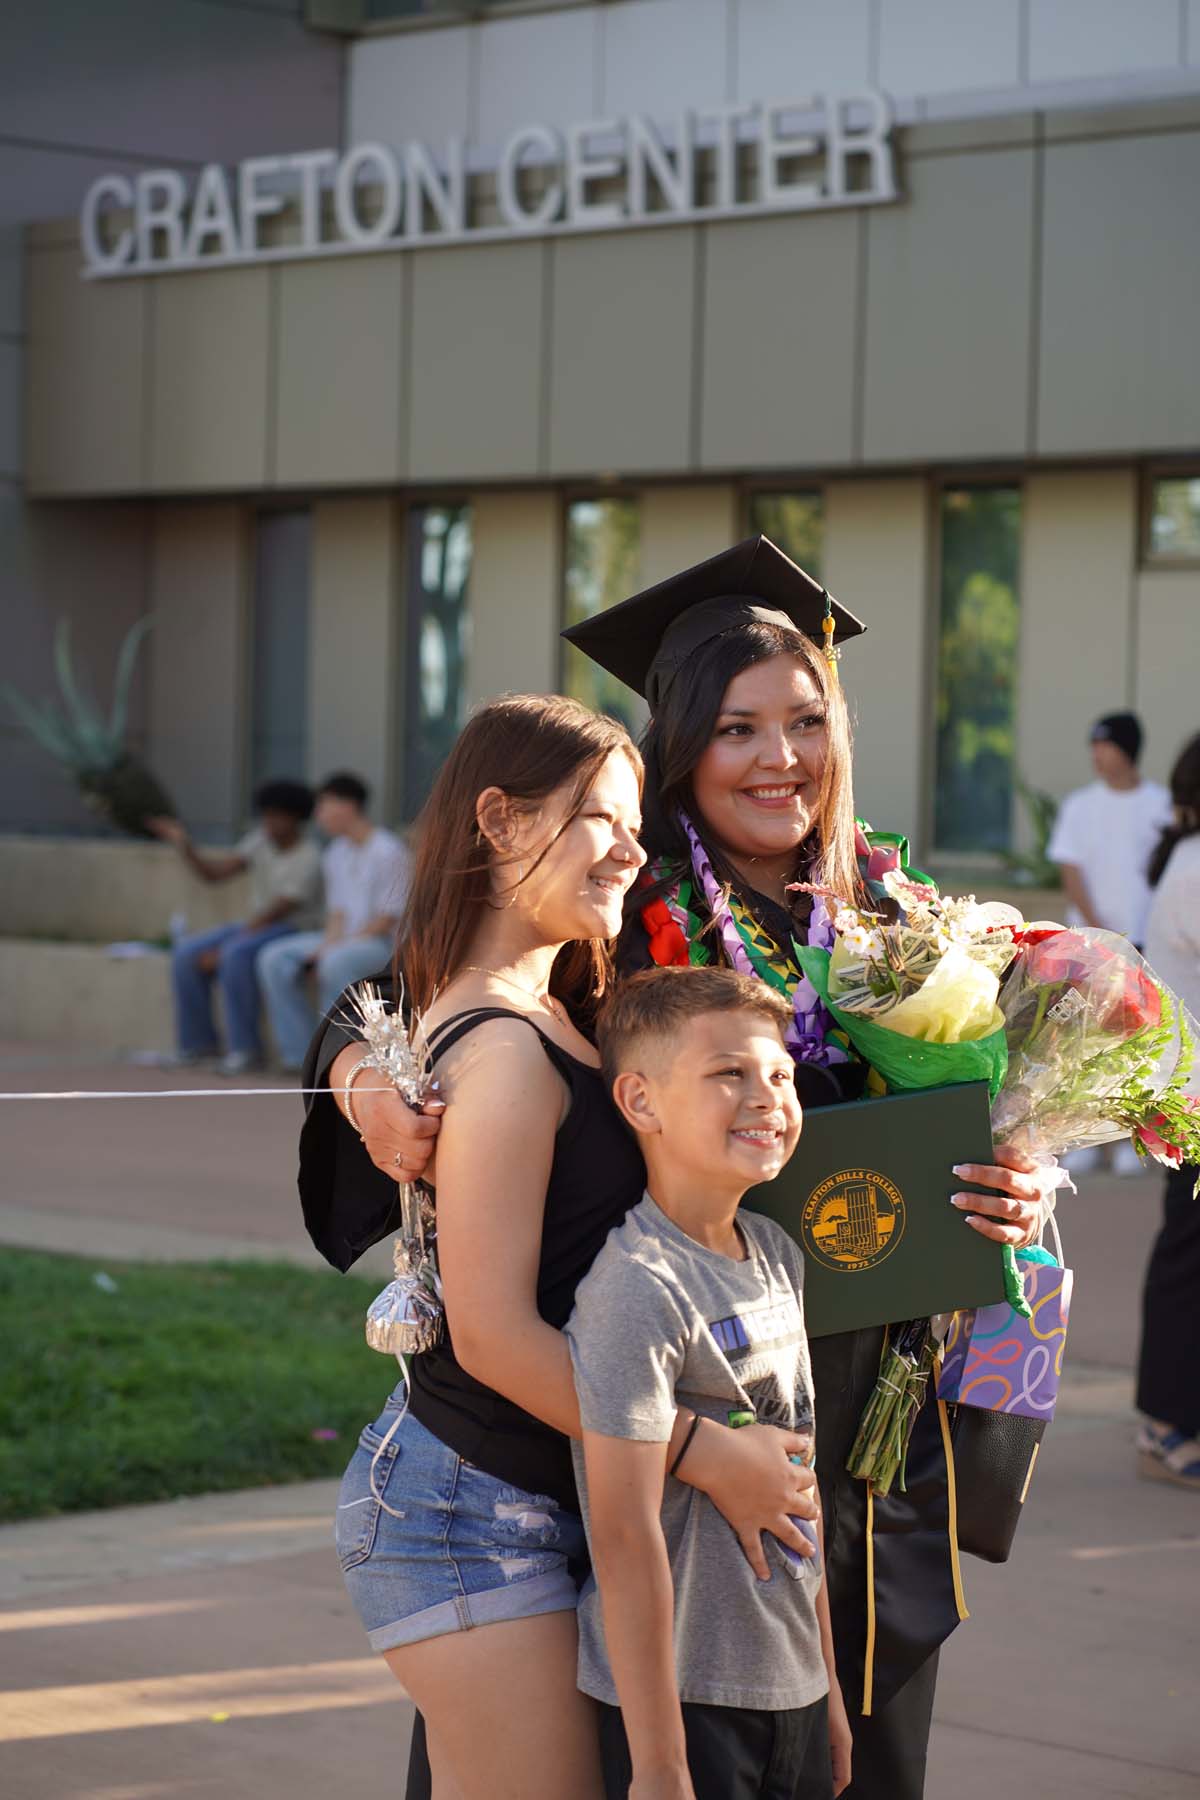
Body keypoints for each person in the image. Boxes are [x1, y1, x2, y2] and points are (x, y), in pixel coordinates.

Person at [305, 537, 1053, 1800]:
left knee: (848, 1739)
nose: (780, 759)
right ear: (682, 745)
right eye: (736, 729)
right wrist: (362, 1079)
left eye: (806, 722)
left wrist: (1018, 1179)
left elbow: (974, 1106)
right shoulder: (612, 887)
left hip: (857, 1412)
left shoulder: (897, 913)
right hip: (666, 1392)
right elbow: (410, 986)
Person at [306, 695, 822, 1800]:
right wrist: (701, 1450)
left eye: (635, 824)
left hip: (541, 1491)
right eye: (601, 819)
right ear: (499, 821)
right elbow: (492, 1336)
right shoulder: (503, 1050)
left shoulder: (557, 1005)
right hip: (468, 1513)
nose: (633, 850)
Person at [568, 965, 851, 1800]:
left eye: (781, 1075)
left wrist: (827, 1689)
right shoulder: (637, 1286)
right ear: (640, 1101)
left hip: (792, 1687)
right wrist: (659, 1763)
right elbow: (624, 1536)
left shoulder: (778, 1254)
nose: (768, 1098)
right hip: (688, 1705)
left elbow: (801, 1488)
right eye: (729, 1073)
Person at [149, 779, 321, 1074]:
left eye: (278, 816)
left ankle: (246, 1050)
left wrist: (225, 948)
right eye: (266, 815)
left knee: (234, 955)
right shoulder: (260, 841)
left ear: (296, 818)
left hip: (292, 928)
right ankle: (198, 1044)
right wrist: (184, 844)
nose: (270, 823)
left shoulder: (310, 856)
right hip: (255, 924)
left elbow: (278, 912)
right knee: (186, 954)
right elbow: (214, 875)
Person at [1136, 730, 1200, 1490]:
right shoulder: (1195, 865)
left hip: (1185, 1096)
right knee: (1188, 1259)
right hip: (1192, 1103)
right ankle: (1163, 1422)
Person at [257, 772, 411, 1071]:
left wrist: (333, 950)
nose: (318, 815)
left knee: (335, 962)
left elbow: (386, 919)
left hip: (382, 943)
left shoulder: (389, 850)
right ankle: (298, 1056)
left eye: (324, 806)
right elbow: (337, 914)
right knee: (273, 958)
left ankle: (332, 1059)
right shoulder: (335, 852)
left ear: (347, 806)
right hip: (346, 939)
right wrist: (325, 945)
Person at [1047, 711, 1172, 947]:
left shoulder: (1163, 804)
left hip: (1148, 937)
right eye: (1094, 747)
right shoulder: (1078, 805)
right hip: (1088, 940)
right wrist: (1098, 929)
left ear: (1127, 750)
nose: (1096, 755)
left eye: (1105, 746)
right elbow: (1070, 870)